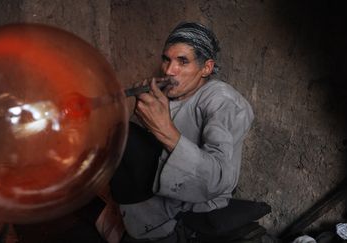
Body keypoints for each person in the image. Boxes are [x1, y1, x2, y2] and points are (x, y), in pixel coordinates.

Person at [106, 22, 255, 243]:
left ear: (206, 68)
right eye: (166, 59)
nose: (168, 70)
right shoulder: (171, 93)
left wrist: (165, 129)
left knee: (124, 137)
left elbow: (219, 181)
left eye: (182, 61)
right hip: (155, 189)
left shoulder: (223, 101)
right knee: (114, 131)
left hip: (195, 200)